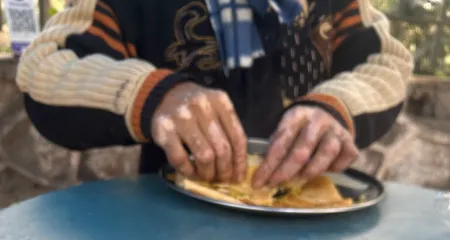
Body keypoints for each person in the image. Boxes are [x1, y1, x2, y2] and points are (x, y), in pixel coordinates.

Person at [17, 0, 412, 187]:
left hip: (303, 223)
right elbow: (45, 68)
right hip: (172, 225)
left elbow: (387, 64)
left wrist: (334, 106)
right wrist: (154, 96)